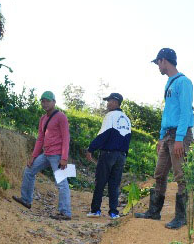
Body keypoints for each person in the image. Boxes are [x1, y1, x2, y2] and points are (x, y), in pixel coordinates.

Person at [135, 48, 194, 229]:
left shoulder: (183, 82)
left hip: (179, 135)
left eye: (158, 63)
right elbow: (167, 112)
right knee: (160, 173)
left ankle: (181, 217)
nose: (157, 67)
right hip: (168, 134)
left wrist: (180, 139)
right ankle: (154, 212)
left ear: (163, 61)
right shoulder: (169, 83)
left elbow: (186, 112)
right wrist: (161, 137)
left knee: (181, 175)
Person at [12, 91, 72, 220]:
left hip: (57, 156)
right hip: (46, 154)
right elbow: (40, 138)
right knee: (29, 171)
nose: (45, 103)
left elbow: (66, 138)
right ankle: (26, 200)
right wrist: (33, 156)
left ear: (54, 102)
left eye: (47, 101)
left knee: (61, 182)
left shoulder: (61, 117)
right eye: (43, 101)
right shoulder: (43, 119)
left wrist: (64, 158)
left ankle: (65, 212)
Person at [85, 93, 131, 219]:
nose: (107, 104)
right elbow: (128, 138)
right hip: (121, 156)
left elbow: (103, 135)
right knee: (114, 184)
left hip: (108, 154)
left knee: (100, 181)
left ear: (115, 102)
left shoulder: (110, 116)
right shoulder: (126, 119)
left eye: (109, 101)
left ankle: (96, 210)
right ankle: (113, 212)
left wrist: (91, 148)